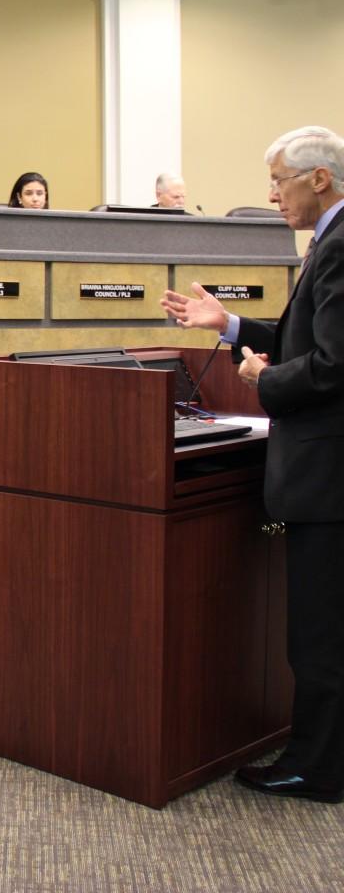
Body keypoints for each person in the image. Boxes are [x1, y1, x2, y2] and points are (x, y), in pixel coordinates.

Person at [160, 125, 344, 803]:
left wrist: (263, 382)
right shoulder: (328, 242)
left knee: (320, 635)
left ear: (319, 178)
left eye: (279, 180)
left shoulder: (340, 244)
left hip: (328, 477)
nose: (271, 195)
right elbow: (314, 338)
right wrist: (229, 325)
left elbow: (330, 367)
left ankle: (317, 768)